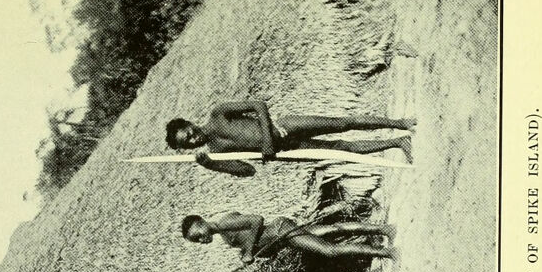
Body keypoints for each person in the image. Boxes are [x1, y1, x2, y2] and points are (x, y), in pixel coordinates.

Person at [165, 97, 415, 177]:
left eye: (188, 133)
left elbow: (258, 105)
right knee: (342, 150)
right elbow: (247, 171)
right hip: (287, 151)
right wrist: (213, 165)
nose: (193, 138)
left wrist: (266, 140)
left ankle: (400, 123)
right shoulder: (216, 151)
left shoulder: (219, 114)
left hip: (285, 127)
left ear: (189, 123)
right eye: (187, 142)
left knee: (342, 123)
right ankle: (398, 142)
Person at [182, 211, 396, 263]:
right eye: (197, 241)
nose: (201, 240)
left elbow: (257, 220)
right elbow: (261, 247)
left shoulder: (226, 223)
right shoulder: (225, 237)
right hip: (283, 236)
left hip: (281, 230)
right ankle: (384, 229)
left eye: (197, 235)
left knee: (330, 250)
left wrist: (247, 251)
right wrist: (252, 255)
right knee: (332, 229)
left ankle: (387, 252)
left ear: (201, 222)